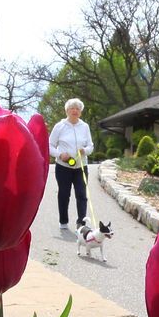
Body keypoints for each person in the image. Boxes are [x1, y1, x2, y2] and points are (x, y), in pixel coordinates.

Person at [49, 98, 95, 230]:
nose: (75, 111)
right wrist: (59, 154)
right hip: (63, 167)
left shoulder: (85, 126)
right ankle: (63, 221)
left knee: (81, 194)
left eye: (78, 109)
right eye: (72, 108)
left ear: (80, 112)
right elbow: (50, 145)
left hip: (81, 166)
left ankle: (82, 223)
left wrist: (84, 150)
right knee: (64, 194)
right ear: (67, 111)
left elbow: (90, 146)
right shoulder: (60, 126)